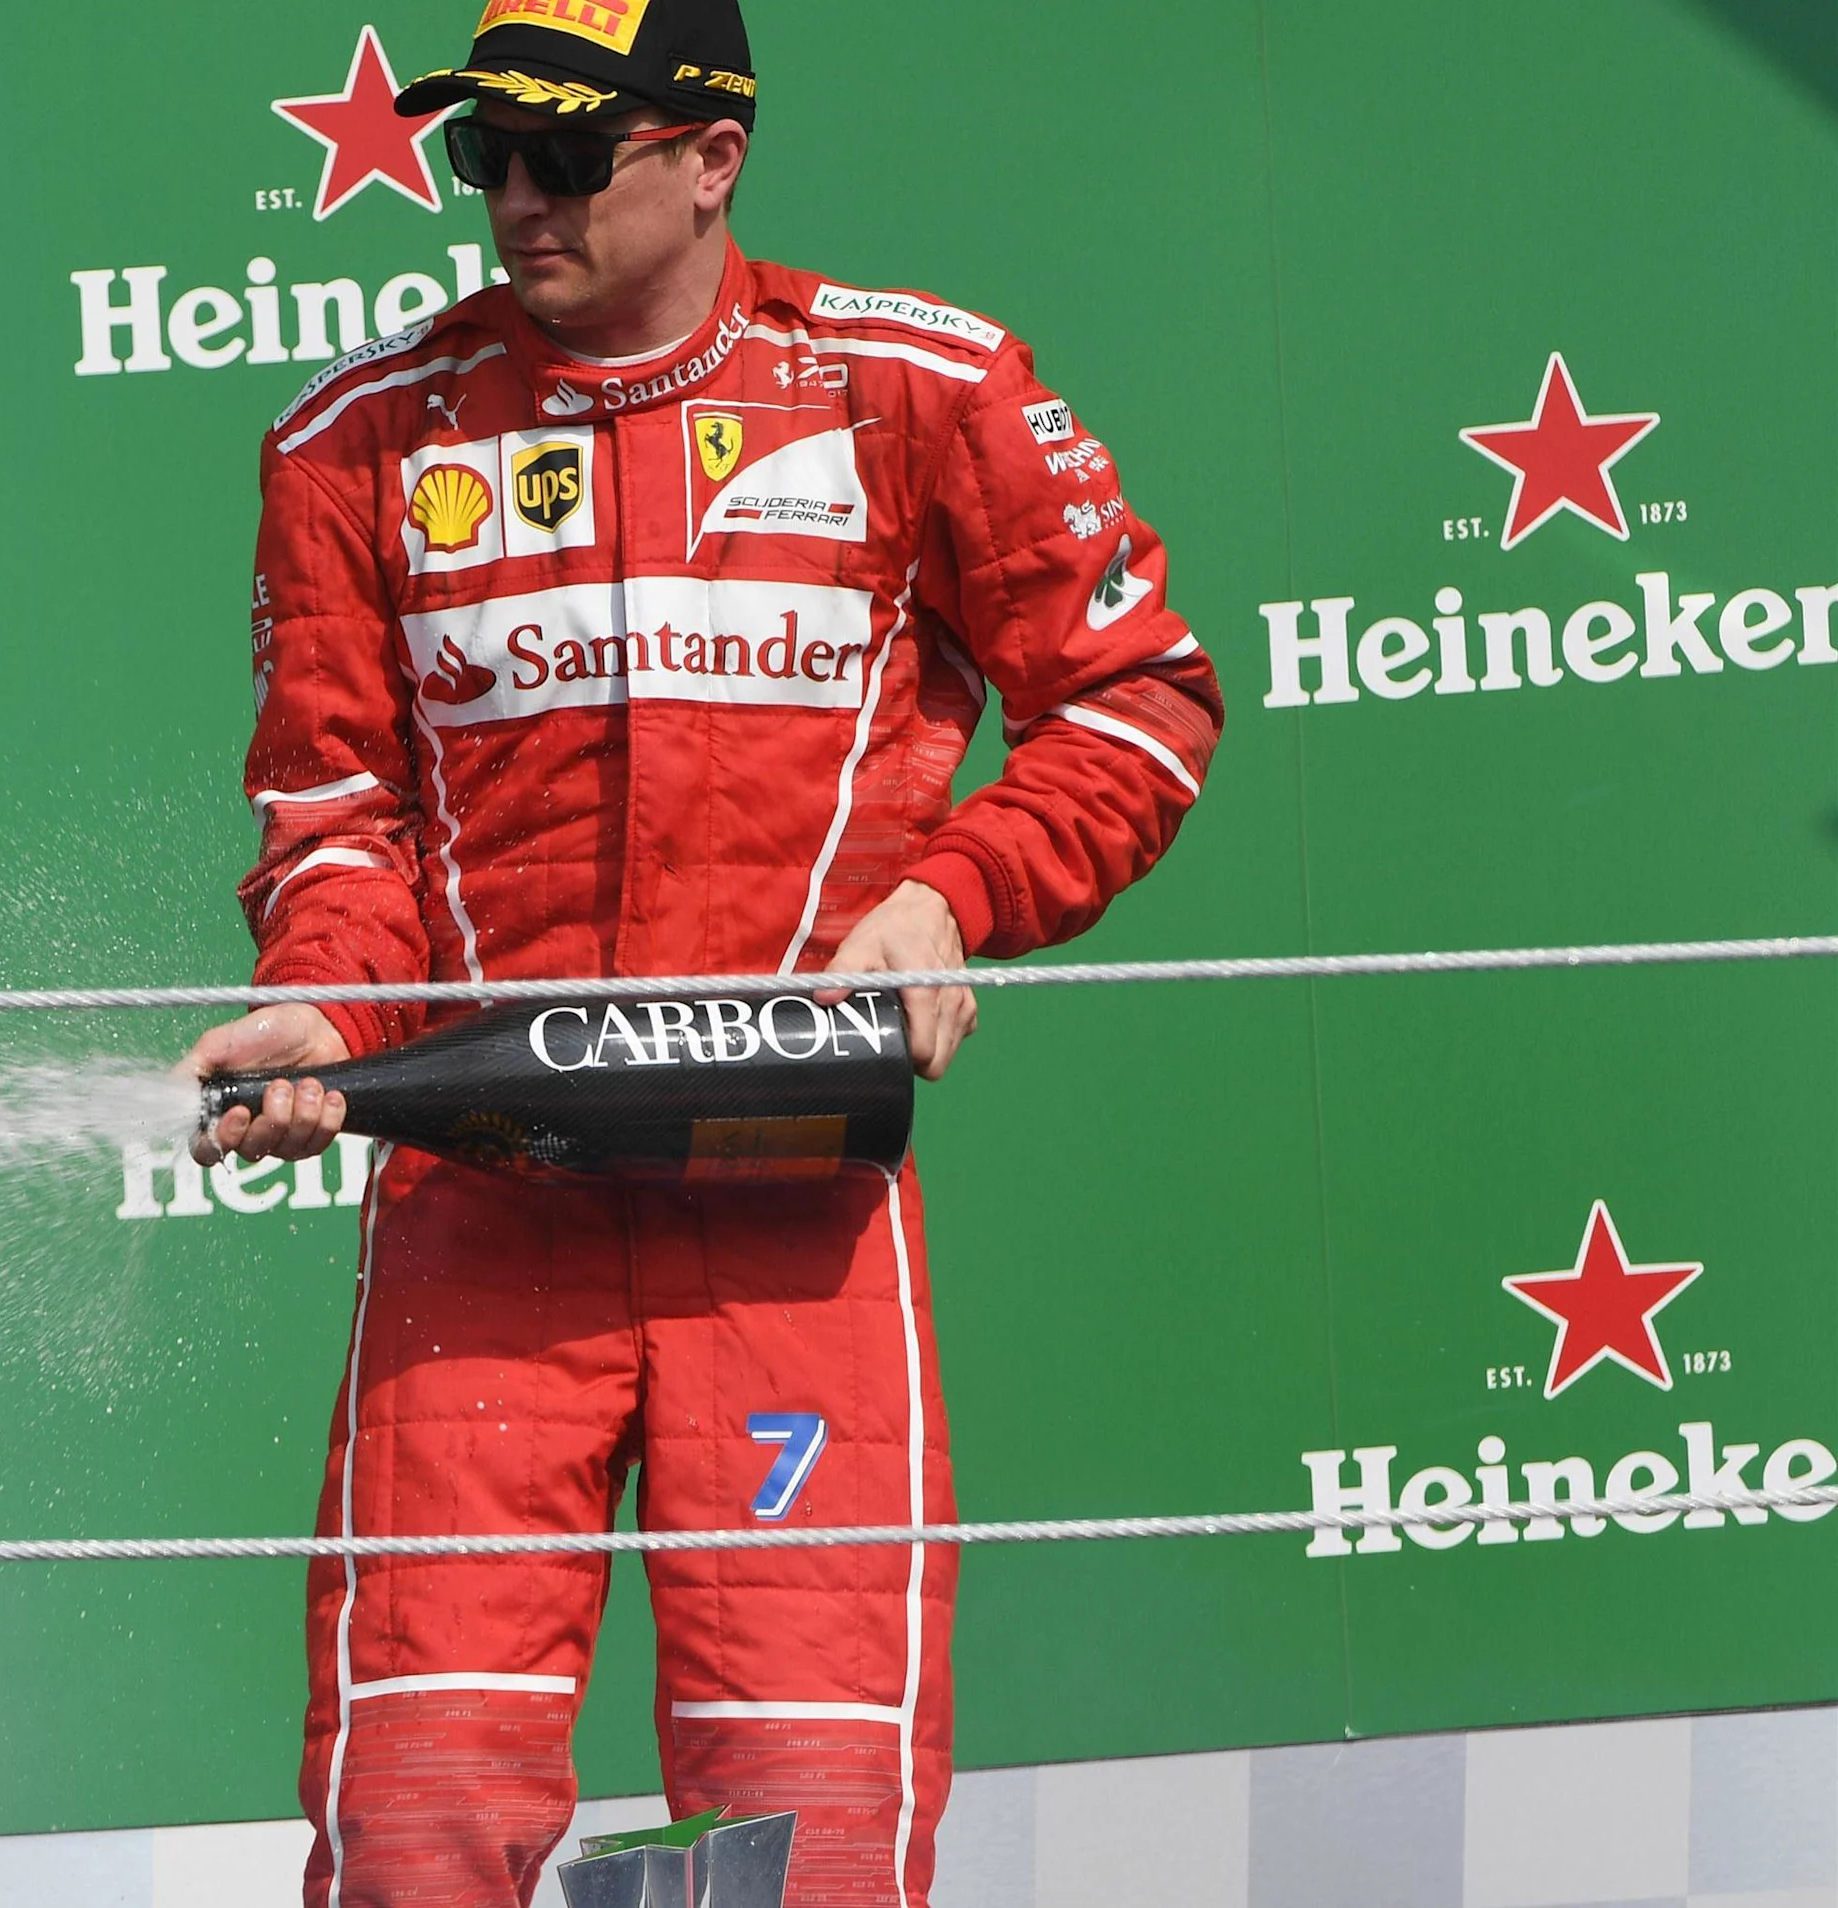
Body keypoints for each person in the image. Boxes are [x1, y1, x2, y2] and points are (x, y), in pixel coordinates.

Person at [185, 1, 1224, 1902]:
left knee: (806, 1819)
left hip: (788, 1211)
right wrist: (323, 1005)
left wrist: (956, 892)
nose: (512, 197)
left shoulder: (919, 387)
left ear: (709, 159)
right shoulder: (357, 437)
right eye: (481, 155)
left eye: (566, 156)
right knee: (416, 1802)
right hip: (482, 1206)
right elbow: (339, 817)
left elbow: (1141, 705)